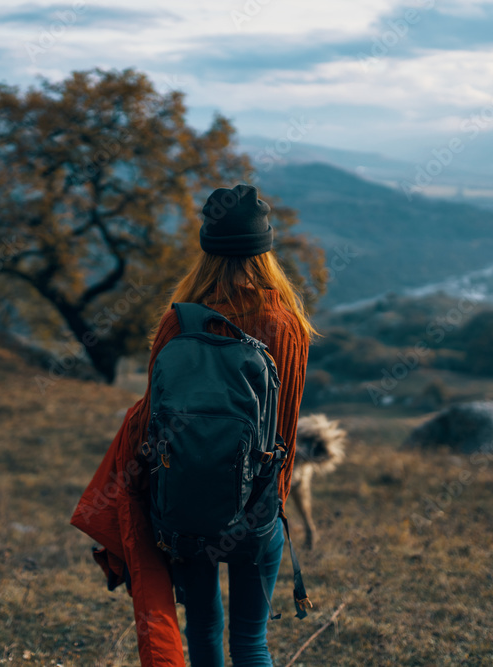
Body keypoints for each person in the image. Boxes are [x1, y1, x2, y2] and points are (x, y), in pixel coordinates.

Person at [71, 183, 314, 666]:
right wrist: (270, 506)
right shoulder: (287, 325)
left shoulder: (178, 324)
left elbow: (153, 420)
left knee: (203, 632)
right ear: (266, 251)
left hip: (184, 509)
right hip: (257, 509)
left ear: (207, 249)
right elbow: (283, 427)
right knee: (251, 643)